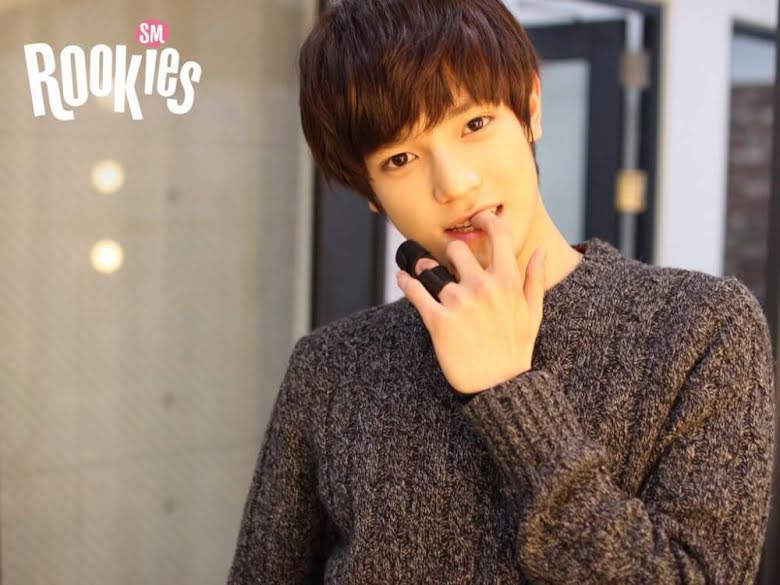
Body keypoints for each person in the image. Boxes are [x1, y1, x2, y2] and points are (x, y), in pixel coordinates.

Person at [227, 0, 776, 583]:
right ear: (369, 191)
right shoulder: (330, 367)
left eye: (474, 125)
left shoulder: (702, 328)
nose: (454, 184)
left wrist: (510, 395)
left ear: (531, 108)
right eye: (401, 158)